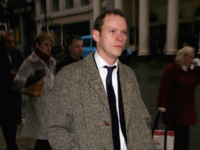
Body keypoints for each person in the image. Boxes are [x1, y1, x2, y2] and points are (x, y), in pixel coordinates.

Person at [48, 9, 154, 150]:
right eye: (112, 31)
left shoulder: (129, 75)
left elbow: (143, 120)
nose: (120, 38)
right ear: (96, 35)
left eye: (123, 32)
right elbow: (56, 129)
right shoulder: (69, 76)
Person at [13, 31, 56, 150]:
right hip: (38, 107)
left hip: (50, 106)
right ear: (37, 45)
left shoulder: (51, 61)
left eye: (50, 45)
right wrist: (33, 78)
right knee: (45, 138)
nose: (49, 48)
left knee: (45, 140)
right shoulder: (30, 62)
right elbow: (17, 82)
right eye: (46, 45)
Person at [157, 46, 200, 150]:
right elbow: (164, 88)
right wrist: (161, 104)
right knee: (174, 135)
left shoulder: (192, 70)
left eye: (192, 58)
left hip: (187, 108)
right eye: (189, 57)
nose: (191, 60)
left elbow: (197, 80)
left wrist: (198, 67)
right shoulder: (171, 70)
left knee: (185, 135)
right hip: (173, 109)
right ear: (182, 57)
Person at [0, 31, 23, 150]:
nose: (11, 44)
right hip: (3, 98)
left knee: (13, 127)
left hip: (15, 98)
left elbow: (23, 69)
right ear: (2, 41)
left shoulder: (17, 53)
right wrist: (8, 74)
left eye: (12, 41)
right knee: (7, 130)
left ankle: (12, 146)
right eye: (8, 41)